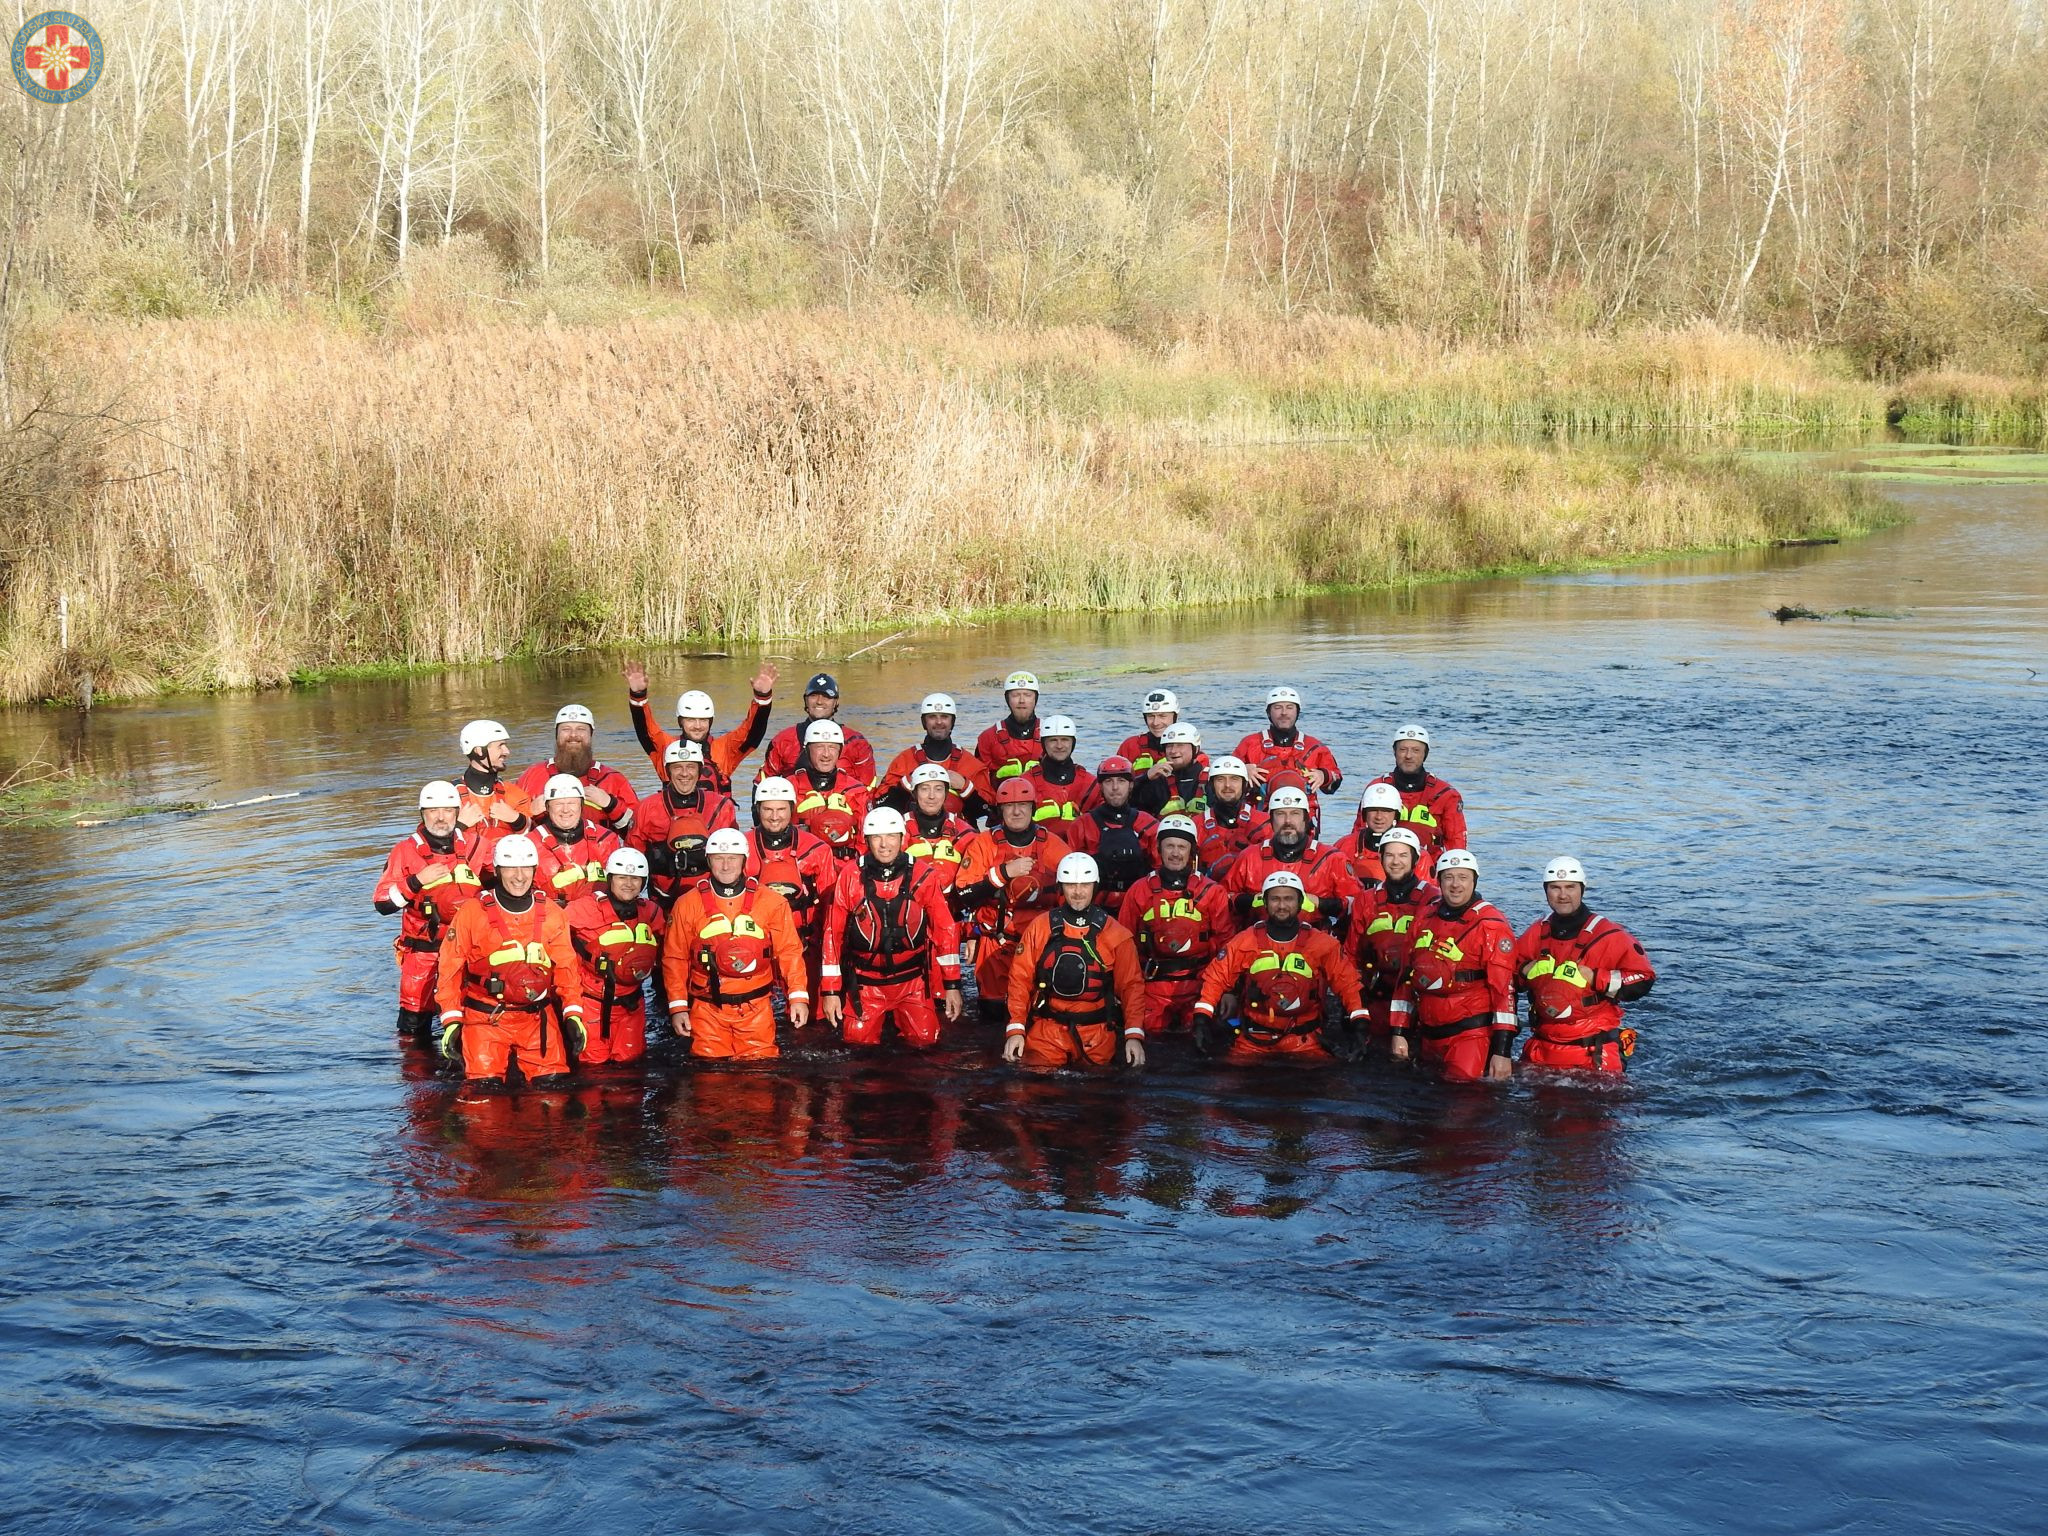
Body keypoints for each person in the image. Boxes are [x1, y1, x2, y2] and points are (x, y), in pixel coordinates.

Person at [434, 833, 588, 1084]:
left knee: (553, 1095)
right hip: (486, 1019)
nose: (519, 876)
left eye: (526, 868)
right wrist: (451, 1021)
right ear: (496, 870)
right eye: (510, 868)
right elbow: (450, 969)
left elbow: (567, 968)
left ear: (535, 869)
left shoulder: (552, 912)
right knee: (484, 1100)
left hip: (537, 1018)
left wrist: (572, 1014)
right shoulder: (472, 913)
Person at [819, 808, 964, 1050]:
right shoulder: (850, 876)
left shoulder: (923, 875)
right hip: (865, 985)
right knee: (857, 1049)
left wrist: (952, 986)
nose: (884, 844)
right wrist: (831, 991)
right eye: (877, 837)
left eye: (891, 836)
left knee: (926, 1045)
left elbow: (945, 930)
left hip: (913, 984)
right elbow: (832, 935)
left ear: (902, 838)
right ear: (866, 841)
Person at [663, 828, 810, 1060]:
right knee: (710, 1080)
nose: (725, 865)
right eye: (719, 858)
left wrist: (798, 997)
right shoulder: (686, 904)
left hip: (757, 1009)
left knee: (760, 1077)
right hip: (707, 1010)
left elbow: (789, 952)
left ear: (744, 860)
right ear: (708, 860)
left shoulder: (772, 902)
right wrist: (678, 1007)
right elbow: (675, 958)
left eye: (732, 858)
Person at [1193, 871, 1368, 1062]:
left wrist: (1359, 1025)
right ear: (1265, 903)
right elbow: (1215, 980)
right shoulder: (1244, 942)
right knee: (1222, 1086)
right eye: (1275, 899)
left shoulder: (1323, 945)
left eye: (1289, 899)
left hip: (1305, 1042)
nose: (1282, 905)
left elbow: (1348, 985)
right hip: (1253, 1041)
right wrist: (1201, 1020)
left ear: (1300, 902)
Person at [1004, 852, 1147, 1072]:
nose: (1078, 892)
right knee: (1032, 1089)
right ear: (1061, 887)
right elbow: (1020, 979)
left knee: (1094, 1098)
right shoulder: (1040, 927)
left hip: (1097, 1034)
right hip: (1047, 1031)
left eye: (1084, 885)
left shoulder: (1116, 934)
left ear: (1095, 887)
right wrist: (1016, 1030)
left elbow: (1131, 987)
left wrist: (1133, 1035)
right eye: (1071, 885)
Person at [1512, 856, 1656, 1074]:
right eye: (1555, 888)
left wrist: (1598, 978)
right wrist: (1524, 971)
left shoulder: (1609, 934)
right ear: (1545, 891)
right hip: (1542, 1045)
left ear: (1582, 889)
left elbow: (1644, 978)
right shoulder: (1537, 932)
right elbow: (1506, 974)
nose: (1562, 895)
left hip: (1593, 1050)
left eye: (1570, 887)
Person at [1388, 849, 1516, 1083]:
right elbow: (1405, 978)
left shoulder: (1491, 925)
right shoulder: (1425, 916)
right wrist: (1399, 1032)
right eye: (1448, 877)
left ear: (1474, 881)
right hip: (1428, 1034)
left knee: (1462, 1104)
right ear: (1439, 880)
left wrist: (1502, 1051)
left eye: (1463, 877)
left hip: (1469, 1035)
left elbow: (1503, 992)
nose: (1455, 885)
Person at [373, 781, 485, 1043]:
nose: (441, 817)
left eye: (447, 810)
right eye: (433, 811)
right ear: (422, 814)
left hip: (467, 953)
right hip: (422, 955)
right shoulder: (404, 851)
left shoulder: (477, 845)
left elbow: (510, 880)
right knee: (413, 1035)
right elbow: (381, 904)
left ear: (457, 813)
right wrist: (415, 881)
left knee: (469, 1023)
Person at [953, 779, 1069, 1020]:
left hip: (1040, 945)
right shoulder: (984, 844)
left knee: (1040, 1013)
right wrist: (1003, 874)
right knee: (992, 1015)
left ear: (1033, 808)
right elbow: (964, 894)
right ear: (1000, 811)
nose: (1016, 812)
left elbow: (1074, 896)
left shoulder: (1053, 845)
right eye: (1009, 805)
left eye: (1023, 805)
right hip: (996, 942)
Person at [1118, 816, 1233, 1036]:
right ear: (1159, 849)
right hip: (1153, 986)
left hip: (1198, 987)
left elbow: (1225, 948)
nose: (1175, 853)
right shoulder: (1139, 891)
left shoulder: (1213, 892)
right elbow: (1125, 945)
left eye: (1182, 846)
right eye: (1169, 845)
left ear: (1192, 852)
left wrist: (1227, 991)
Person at [564, 847, 666, 1066]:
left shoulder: (652, 913)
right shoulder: (581, 910)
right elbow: (553, 943)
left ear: (644, 882)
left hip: (632, 1006)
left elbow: (671, 948)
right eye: (622, 877)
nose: (628, 884)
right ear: (609, 879)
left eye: (635, 878)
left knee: (631, 1070)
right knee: (593, 1071)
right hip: (592, 1004)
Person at [1221, 786, 1362, 934]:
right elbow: (1225, 898)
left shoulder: (1332, 859)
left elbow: (1356, 905)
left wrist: (1321, 903)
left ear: (1305, 819)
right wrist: (1251, 901)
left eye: (1295, 813)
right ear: (1270, 820)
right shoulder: (1249, 857)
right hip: (1259, 940)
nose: (1288, 821)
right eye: (1280, 814)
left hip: (1315, 942)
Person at [623, 660, 777, 794]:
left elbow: (752, 733)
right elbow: (645, 730)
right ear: (680, 722)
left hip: (717, 824)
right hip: (677, 822)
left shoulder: (725, 749)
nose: (697, 726)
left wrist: (762, 698)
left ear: (710, 722)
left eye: (703, 720)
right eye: (691, 720)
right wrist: (639, 696)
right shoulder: (665, 747)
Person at [1349, 827, 1438, 1053]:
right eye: (1389, 855)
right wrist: (1353, 1006)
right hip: (1379, 994)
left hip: (1421, 998)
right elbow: (1351, 955)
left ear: (1416, 859)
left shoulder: (1433, 899)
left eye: (1402, 855)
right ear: (1380, 858)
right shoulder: (1366, 900)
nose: (1395, 862)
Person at [631, 740, 738, 907]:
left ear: (699, 770)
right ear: (668, 772)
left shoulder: (721, 806)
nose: (685, 773)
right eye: (677, 767)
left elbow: (736, 859)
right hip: (663, 898)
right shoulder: (647, 808)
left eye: (690, 767)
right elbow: (633, 856)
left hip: (711, 898)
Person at [744, 777, 838, 955]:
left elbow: (829, 906)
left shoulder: (818, 850)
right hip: (756, 941)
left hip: (805, 942)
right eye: (767, 810)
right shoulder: (741, 847)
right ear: (757, 810)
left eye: (781, 810)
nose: (774, 817)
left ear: (792, 809)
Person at [516, 704, 638, 837]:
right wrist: (529, 811)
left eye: (581, 729)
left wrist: (611, 804)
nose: (573, 735)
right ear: (556, 735)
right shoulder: (532, 776)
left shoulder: (613, 779)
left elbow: (638, 830)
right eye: (566, 729)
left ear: (591, 735)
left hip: (600, 853)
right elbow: (508, 829)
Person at [875, 692, 992, 821]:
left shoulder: (971, 764)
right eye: (932, 717)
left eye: (944, 716)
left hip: (959, 835)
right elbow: (879, 807)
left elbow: (990, 812)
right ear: (923, 722)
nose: (939, 722)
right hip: (913, 833)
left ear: (953, 721)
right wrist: (906, 785)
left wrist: (965, 788)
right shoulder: (904, 761)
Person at [1233, 686, 1343, 820]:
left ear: (1298, 712)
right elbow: (1221, 783)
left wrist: (1324, 776)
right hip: (1258, 817)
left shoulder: (1314, 747)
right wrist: (1241, 771)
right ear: (1268, 712)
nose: (1284, 712)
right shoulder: (1250, 744)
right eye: (1278, 707)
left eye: (1290, 707)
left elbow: (1335, 781)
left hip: (1303, 819)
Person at [1363, 724, 1468, 857]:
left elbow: (1456, 843)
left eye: (1416, 750)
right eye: (1403, 749)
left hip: (1429, 866)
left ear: (1425, 754)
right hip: (1383, 863)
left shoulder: (1446, 795)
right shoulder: (1377, 788)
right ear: (1394, 752)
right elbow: (1359, 833)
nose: (1408, 756)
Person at [761, 672, 877, 787]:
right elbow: (763, 784)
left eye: (826, 696)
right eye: (813, 695)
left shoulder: (856, 742)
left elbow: (868, 789)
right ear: (805, 700)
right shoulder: (783, 740)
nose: (819, 701)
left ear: (836, 702)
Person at [1069, 757, 1158, 900]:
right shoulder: (1081, 825)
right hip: (1095, 905)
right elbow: (1070, 874)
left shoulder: (1148, 824)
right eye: (1109, 781)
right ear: (1101, 786)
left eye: (1121, 781)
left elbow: (1159, 871)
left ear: (1130, 785)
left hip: (1137, 902)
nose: (1115, 787)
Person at [530, 773, 624, 905]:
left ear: (582, 805)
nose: (565, 810)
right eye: (558, 804)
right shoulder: (530, 844)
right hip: (551, 917)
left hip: (597, 916)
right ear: (547, 807)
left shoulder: (606, 840)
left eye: (572, 803)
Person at [789, 719, 870, 858]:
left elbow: (865, 837)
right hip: (802, 861)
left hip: (845, 863)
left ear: (840, 751)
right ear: (807, 750)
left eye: (832, 747)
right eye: (820, 747)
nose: (826, 754)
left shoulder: (856, 790)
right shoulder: (789, 788)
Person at [1194, 755, 1268, 875]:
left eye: (1234, 779)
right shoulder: (1196, 824)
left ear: (1244, 784)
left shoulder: (1264, 823)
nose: (1227, 785)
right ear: (1211, 785)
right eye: (1220, 779)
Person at [454, 719, 532, 832]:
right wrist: (460, 826)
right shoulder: (450, 796)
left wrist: (517, 820)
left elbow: (536, 836)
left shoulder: (514, 793)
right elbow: (429, 840)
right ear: (479, 750)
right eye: (500, 746)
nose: (507, 751)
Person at [899, 762, 975, 872]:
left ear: (946, 793)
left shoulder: (964, 831)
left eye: (938, 789)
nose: (932, 796)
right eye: (924, 789)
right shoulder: (898, 827)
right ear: (914, 793)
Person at [975, 670, 1044, 791]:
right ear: (1007, 699)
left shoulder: (1050, 734)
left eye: (1028, 695)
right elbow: (980, 781)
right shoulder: (988, 737)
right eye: (1016, 695)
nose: (1022, 700)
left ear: (1035, 699)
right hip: (1001, 803)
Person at [1346, 782, 1423, 886]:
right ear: (1364, 814)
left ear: (1396, 814)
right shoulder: (1345, 846)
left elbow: (1427, 894)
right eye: (1373, 810)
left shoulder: (1416, 853)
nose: (1379, 817)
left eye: (1386, 811)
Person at [1024, 717, 1094, 827]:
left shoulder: (1091, 783)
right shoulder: (1026, 783)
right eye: (1053, 740)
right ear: (1043, 744)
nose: (1059, 746)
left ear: (1073, 743)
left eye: (1065, 740)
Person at [1133, 722, 1207, 818]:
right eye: (1169, 746)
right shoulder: (1157, 782)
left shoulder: (1212, 780)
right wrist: (1145, 777)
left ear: (1196, 749)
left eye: (1180, 745)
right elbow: (1125, 803)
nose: (1173, 751)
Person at [1117, 687, 1182, 777]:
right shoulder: (1130, 746)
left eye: (1162, 716)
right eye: (1151, 716)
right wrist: (1147, 776)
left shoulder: (1187, 748)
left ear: (1175, 716)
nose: (1156, 723)